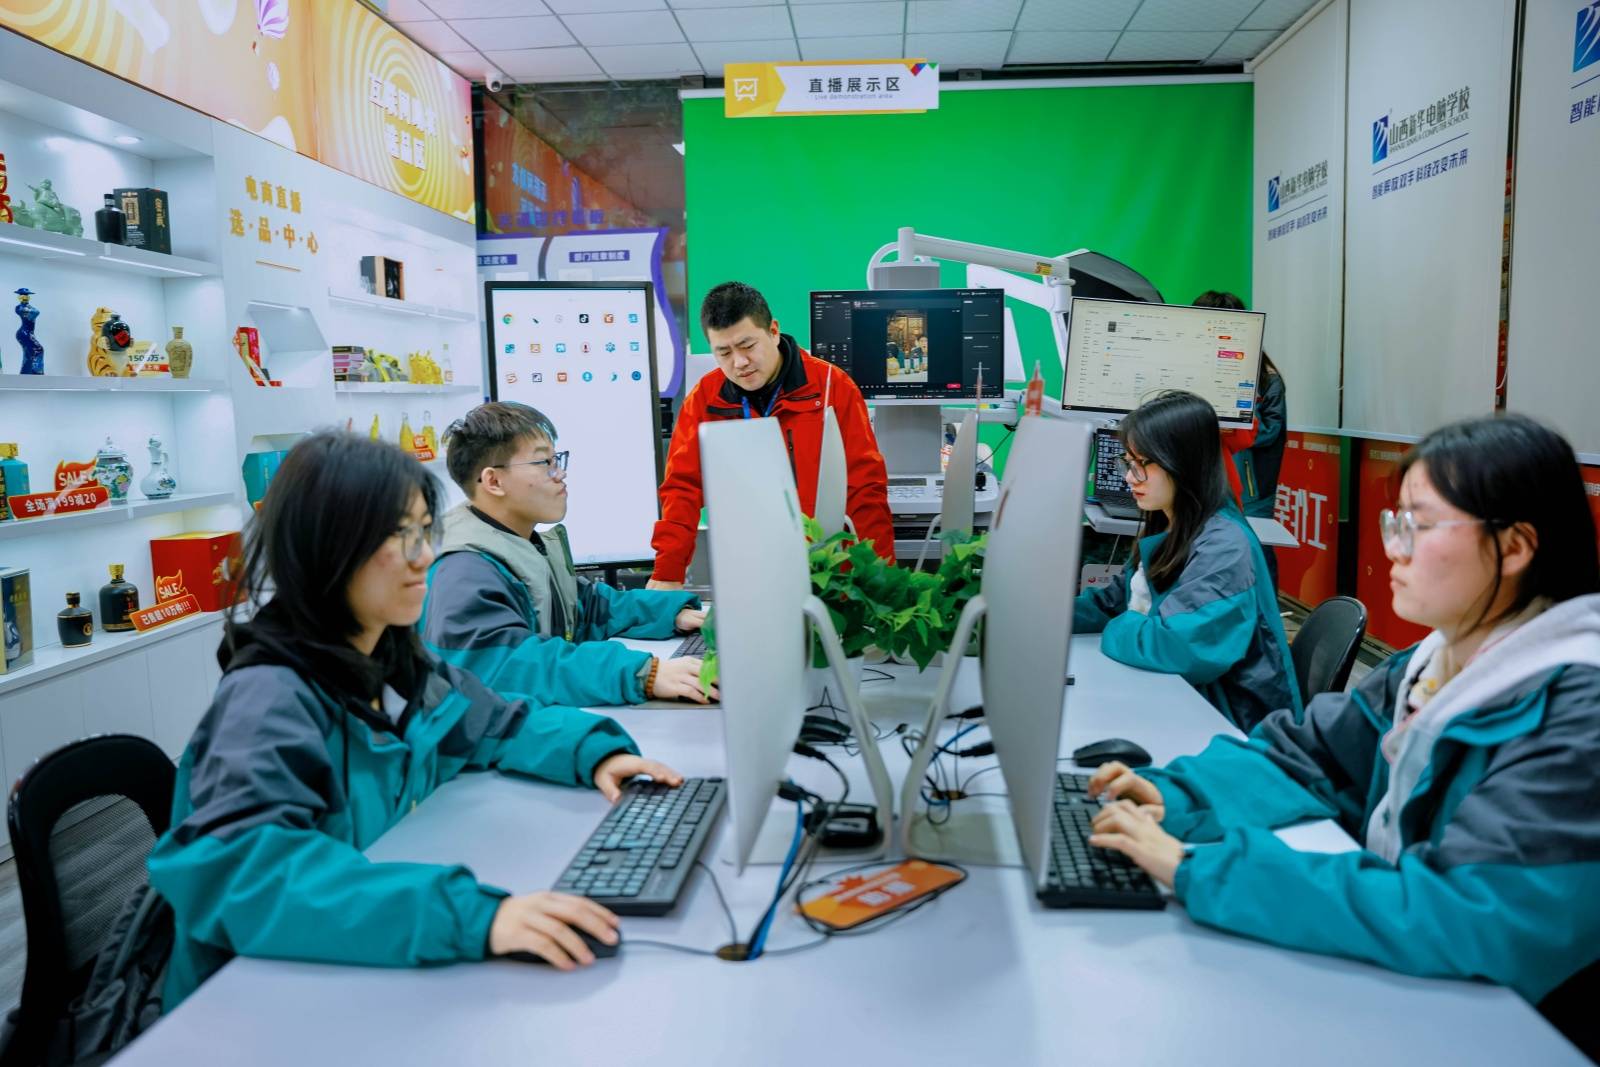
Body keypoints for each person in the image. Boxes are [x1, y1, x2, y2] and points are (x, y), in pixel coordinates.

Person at [1086, 413, 1600, 1049]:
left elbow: (1465, 914)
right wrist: (1178, 796)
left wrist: (1199, 869)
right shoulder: (1430, 663)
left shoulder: (1580, 715)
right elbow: (1309, 755)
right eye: (1395, 521)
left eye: (1420, 526)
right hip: (1428, 995)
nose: (1393, 548)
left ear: (1515, 547)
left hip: (1520, 1033)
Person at [147, 432, 684, 1011]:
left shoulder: (394, 662)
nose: (425, 556)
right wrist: (476, 917)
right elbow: (251, 877)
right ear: (329, 546)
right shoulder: (267, 700)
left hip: (356, 969)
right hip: (255, 1004)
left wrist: (595, 754)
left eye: (425, 531)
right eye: (400, 536)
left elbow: (495, 722)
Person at [421, 402, 714, 708]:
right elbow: (513, 664)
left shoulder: (519, 544)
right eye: (544, 462)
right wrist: (643, 673)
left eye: (557, 459)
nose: (559, 474)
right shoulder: (464, 570)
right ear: (493, 481)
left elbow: (587, 607)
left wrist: (672, 614)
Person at [1073, 390, 1299, 732]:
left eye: (1143, 463)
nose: (1130, 477)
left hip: (1232, 724)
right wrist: (1039, 617)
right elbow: (1111, 603)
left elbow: (1179, 648)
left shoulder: (1225, 546)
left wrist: (1121, 625)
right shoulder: (1172, 523)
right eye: (1128, 462)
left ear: (1184, 463)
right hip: (1185, 699)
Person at [648, 281, 895, 589]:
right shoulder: (705, 400)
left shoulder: (832, 387)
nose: (739, 363)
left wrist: (879, 580)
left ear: (773, 331)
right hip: (750, 570)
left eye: (747, 346)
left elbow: (865, 489)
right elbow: (682, 489)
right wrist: (668, 571)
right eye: (723, 352)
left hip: (829, 571)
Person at [1194, 291, 1287, 584]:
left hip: (1251, 485)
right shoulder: (1190, 368)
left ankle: (1266, 607)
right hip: (1201, 477)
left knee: (1256, 548)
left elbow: (1270, 431)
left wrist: (1229, 423)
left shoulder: (1267, 379)